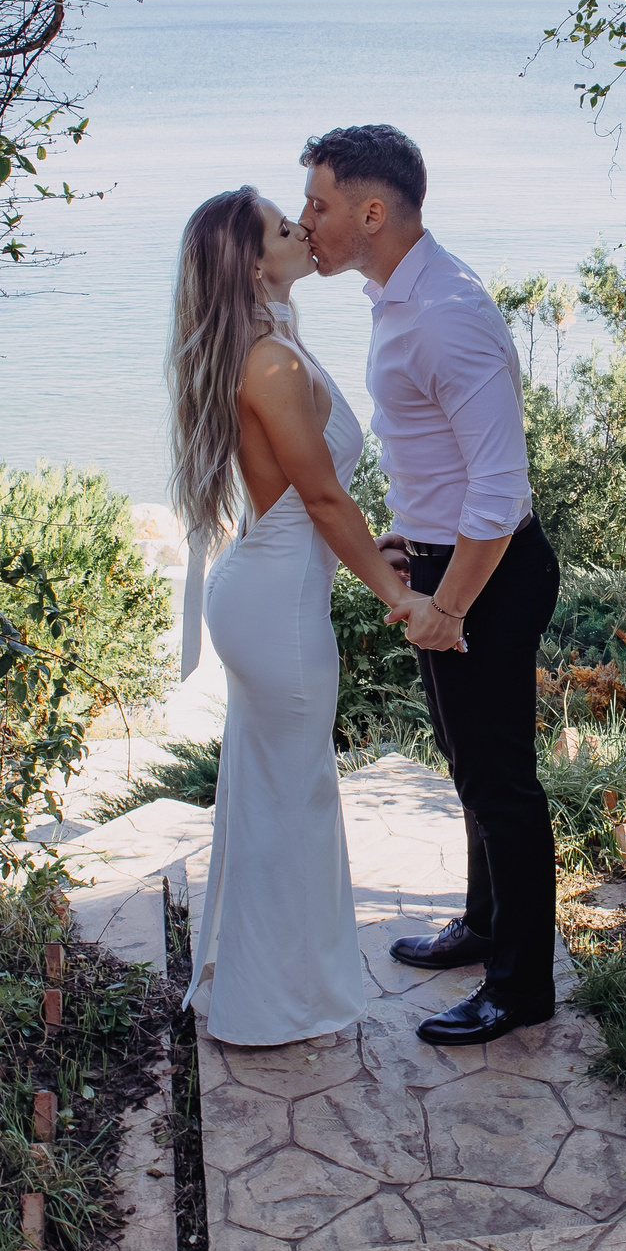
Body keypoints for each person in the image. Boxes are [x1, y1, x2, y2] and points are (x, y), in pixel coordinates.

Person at [297, 124, 563, 1047]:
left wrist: (450, 606)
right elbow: (436, 457)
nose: (305, 221)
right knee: (468, 765)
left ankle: (520, 987)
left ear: (372, 211)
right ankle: (486, 926)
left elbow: (498, 491)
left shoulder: (446, 312)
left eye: (320, 203)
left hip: (488, 574)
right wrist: (407, 537)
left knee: (503, 785)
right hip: (446, 560)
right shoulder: (398, 296)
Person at [168, 187, 431, 1046]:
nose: (303, 230)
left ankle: (268, 988)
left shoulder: (272, 346)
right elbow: (319, 497)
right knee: (294, 802)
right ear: (254, 264)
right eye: (284, 227)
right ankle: (273, 1005)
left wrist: (364, 549)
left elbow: (299, 501)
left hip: (271, 589)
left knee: (274, 797)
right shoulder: (270, 362)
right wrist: (396, 594)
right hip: (276, 610)